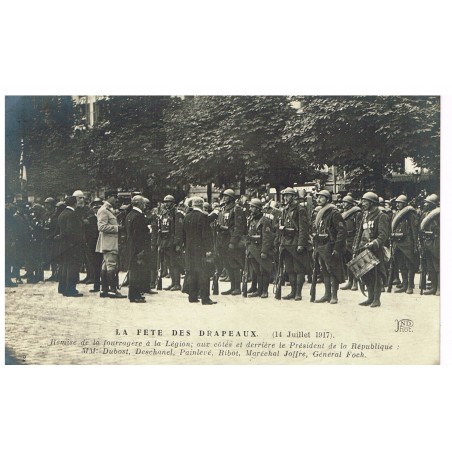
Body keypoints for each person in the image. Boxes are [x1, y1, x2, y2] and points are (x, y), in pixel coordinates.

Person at [352, 192, 390, 307]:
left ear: (372, 203)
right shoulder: (365, 215)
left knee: (377, 275)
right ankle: (370, 298)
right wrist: (356, 247)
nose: (363, 203)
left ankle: (376, 299)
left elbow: (383, 235)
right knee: (366, 274)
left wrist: (373, 243)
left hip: (375, 250)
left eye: (365, 201)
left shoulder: (381, 216)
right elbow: (360, 233)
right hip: (363, 249)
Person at [312, 190, 346, 304]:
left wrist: (337, 248)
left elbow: (341, 231)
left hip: (330, 245)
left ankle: (334, 296)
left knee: (333, 270)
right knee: (324, 270)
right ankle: (327, 294)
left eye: (322, 197)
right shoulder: (321, 212)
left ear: (327, 199)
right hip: (321, 245)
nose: (319, 199)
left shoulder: (334, 213)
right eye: (318, 197)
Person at [277, 187, 311, 301]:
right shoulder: (285, 209)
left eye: (288, 195)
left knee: (299, 268)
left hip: (296, 242)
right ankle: (292, 291)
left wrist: (301, 244)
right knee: (289, 269)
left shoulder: (300, 209)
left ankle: (298, 293)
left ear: (294, 196)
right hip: (286, 243)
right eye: (285, 196)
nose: (286, 198)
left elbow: (303, 229)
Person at [182, 197, 217, 305]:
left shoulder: (187, 217)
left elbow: (183, 234)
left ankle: (192, 296)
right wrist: (209, 249)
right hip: (201, 250)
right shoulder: (203, 217)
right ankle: (205, 298)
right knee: (204, 273)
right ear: (202, 205)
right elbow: (206, 235)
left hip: (189, 249)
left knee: (192, 272)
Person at [95, 190, 126, 299]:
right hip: (109, 242)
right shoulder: (104, 210)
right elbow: (101, 227)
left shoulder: (108, 210)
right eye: (114, 197)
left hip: (108, 242)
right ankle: (113, 290)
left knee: (105, 266)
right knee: (111, 266)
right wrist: (117, 228)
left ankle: (104, 290)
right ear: (108, 197)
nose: (116, 199)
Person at [218, 189, 246, 296]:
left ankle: (237, 288)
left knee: (234, 264)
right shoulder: (224, 209)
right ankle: (232, 287)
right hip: (223, 240)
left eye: (226, 196)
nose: (224, 198)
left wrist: (233, 242)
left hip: (232, 240)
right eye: (224, 196)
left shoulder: (236, 209)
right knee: (227, 264)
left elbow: (239, 228)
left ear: (231, 198)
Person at [246, 198, 275, 298]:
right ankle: (259, 290)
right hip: (252, 248)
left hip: (261, 248)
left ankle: (264, 291)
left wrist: (264, 251)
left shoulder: (265, 220)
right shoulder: (251, 219)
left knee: (264, 270)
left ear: (258, 208)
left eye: (253, 207)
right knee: (257, 271)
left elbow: (267, 237)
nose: (250, 209)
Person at [391, 194, 419, 294]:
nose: (398, 205)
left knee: (409, 264)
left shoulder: (410, 214)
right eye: (397, 203)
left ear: (405, 204)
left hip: (407, 242)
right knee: (401, 264)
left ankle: (410, 285)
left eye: (400, 203)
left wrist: (416, 244)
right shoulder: (396, 214)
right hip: (397, 242)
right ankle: (404, 284)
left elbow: (414, 230)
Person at [57, 196, 84, 297]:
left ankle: (62, 288)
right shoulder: (72, 215)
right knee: (72, 267)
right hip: (72, 245)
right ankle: (70, 290)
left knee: (65, 266)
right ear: (74, 203)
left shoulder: (62, 214)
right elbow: (71, 231)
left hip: (63, 244)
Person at [158, 194, 184, 291]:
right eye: (165, 202)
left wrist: (178, 244)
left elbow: (179, 230)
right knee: (168, 263)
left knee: (175, 263)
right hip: (165, 242)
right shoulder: (165, 213)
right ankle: (173, 282)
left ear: (173, 203)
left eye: (168, 202)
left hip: (173, 242)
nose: (166, 204)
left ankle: (177, 284)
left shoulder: (177, 214)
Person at [126, 196, 149, 303]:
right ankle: (136, 295)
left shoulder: (129, 215)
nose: (144, 205)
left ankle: (133, 294)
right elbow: (139, 235)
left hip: (131, 247)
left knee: (133, 271)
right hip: (138, 248)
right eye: (143, 203)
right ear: (140, 204)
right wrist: (141, 251)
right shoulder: (139, 217)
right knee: (138, 272)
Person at [419, 194, 440, 295]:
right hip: (426, 242)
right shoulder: (424, 214)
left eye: (428, 203)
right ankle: (433, 287)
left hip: (436, 242)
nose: (425, 204)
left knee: (438, 266)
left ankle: (440, 288)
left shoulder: (438, 214)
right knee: (430, 266)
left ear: (433, 204)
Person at [340, 195, 362, 291]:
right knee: (348, 261)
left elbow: (358, 228)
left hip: (353, 238)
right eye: (343, 202)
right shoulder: (343, 213)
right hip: (345, 239)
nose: (343, 204)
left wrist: (357, 241)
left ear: (350, 204)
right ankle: (349, 281)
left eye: (345, 202)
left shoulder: (357, 213)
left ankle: (355, 282)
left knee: (355, 260)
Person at [85, 198, 103, 292]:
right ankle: (96, 284)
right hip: (93, 245)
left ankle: (105, 285)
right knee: (95, 265)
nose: (97, 209)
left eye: (99, 207)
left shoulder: (104, 217)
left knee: (103, 265)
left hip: (103, 243)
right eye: (95, 208)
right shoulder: (91, 219)